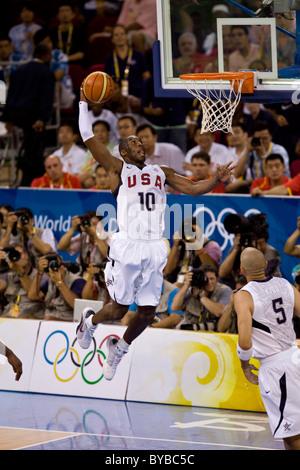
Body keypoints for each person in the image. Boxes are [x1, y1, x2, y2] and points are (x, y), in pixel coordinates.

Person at [75, 88, 235, 381]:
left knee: (147, 312)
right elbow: (87, 136)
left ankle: (119, 348)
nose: (139, 144)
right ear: (122, 151)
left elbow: (194, 189)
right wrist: (84, 101)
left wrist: (217, 179)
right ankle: (90, 321)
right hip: (128, 244)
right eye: (132, 142)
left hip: (154, 247)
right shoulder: (116, 167)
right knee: (118, 308)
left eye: (140, 141)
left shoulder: (162, 171)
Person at [234, 247, 300, 450]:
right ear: (264, 265)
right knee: (289, 432)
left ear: (242, 269)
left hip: (277, 368)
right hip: (295, 355)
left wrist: (245, 366)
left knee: (293, 432)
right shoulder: (285, 284)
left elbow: (245, 342)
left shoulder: (244, 296)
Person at [2, 44, 55, 186]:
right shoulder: (46, 72)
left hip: (15, 115)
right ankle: (30, 181)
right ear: (46, 56)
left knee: (27, 146)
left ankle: (24, 177)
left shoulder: (18, 70)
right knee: (34, 149)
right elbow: (46, 98)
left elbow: (10, 96)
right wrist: (42, 119)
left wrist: (8, 119)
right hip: (32, 117)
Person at [171, 264, 232, 331]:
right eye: (206, 279)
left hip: (212, 332)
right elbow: (174, 307)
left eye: (212, 279)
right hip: (189, 328)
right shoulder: (192, 289)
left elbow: (219, 312)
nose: (209, 282)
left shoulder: (224, 290)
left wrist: (201, 296)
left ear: (217, 279)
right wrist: (187, 285)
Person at [28, 252, 86, 321]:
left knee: (49, 319)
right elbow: (32, 296)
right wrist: (39, 273)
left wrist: (59, 283)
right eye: (47, 269)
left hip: (67, 321)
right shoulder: (50, 282)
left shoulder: (77, 281)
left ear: (63, 266)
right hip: (49, 319)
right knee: (25, 317)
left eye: (55, 265)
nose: (52, 270)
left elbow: (78, 306)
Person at [164, 216, 223, 284]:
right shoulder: (180, 247)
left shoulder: (211, 245)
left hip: (201, 284)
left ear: (200, 230)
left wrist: (195, 243)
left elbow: (211, 267)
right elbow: (168, 270)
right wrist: (175, 245)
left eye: (193, 230)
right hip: (178, 283)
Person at [104, 24, 150, 99]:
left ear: (126, 36)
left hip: (137, 96)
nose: (119, 37)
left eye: (122, 34)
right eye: (116, 35)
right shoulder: (109, 58)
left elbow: (147, 77)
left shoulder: (138, 55)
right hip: (117, 97)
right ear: (112, 39)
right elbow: (107, 81)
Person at [33, 29, 75, 109]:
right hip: (40, 93)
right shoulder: (34, 58)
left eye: (48, 41)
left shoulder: (60, 55)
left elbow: (56, 77)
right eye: (43, 42)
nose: (46, 45)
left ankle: (47, 117)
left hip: (63, 94)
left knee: (55, 84)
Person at [0, 243, 45, 319]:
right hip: (9, 316)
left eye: (18, 254)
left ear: (26, 255)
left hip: (31, 316)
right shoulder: (8, 276)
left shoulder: (39, 275)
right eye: (12, 255)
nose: (16, 257)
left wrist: (19, 272)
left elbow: (34, 295)